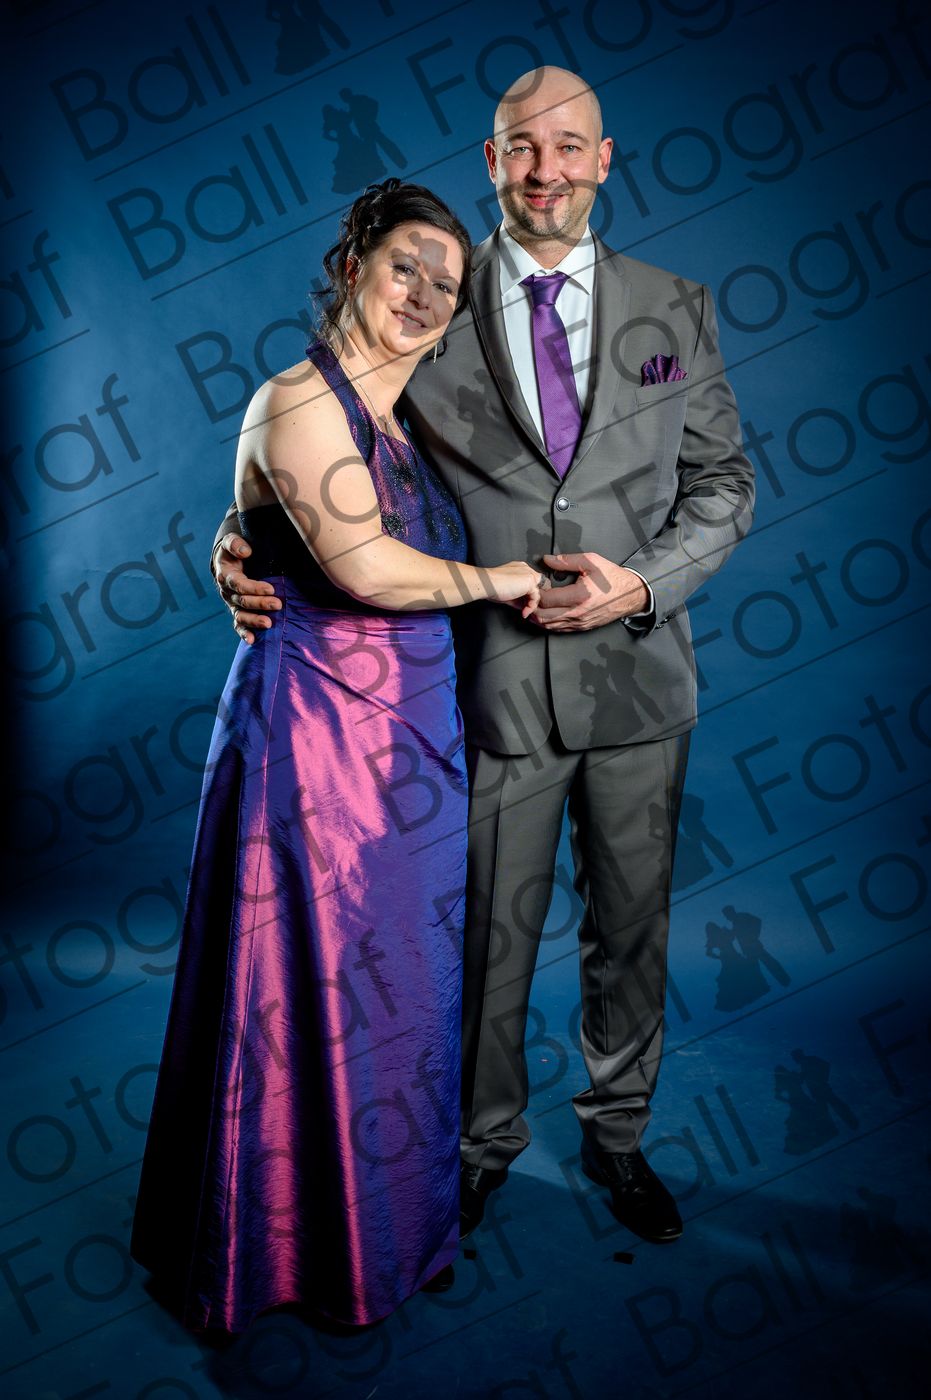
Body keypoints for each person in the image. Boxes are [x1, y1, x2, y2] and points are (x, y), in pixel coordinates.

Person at [213, 67, 756, 1246]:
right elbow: (322, 433)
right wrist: (238, 531)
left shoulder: (678, 309)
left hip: (639, 682)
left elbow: (724, 484)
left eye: (567, 147)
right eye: (521, 147)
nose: (544, 170)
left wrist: (642, 582)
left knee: (632, 930)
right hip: (484, 692)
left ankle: (618, 1136)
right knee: (483, 941)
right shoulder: (430, 311)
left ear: (603, 159)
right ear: (491, 160)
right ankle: (472, 1151)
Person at [130, 179, 543, 1334]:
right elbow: (361, 566)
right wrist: (501, 579)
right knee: (303, 988)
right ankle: (275, 1255)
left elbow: (261, 515)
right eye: (406, 264)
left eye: (446, 283)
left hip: (413, 744)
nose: (423, 294)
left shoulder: (414, 417)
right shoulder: (296, 396)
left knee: (400, 986)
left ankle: (392, 1233)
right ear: (354, 262)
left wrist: (235, 533)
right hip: (313, 743)